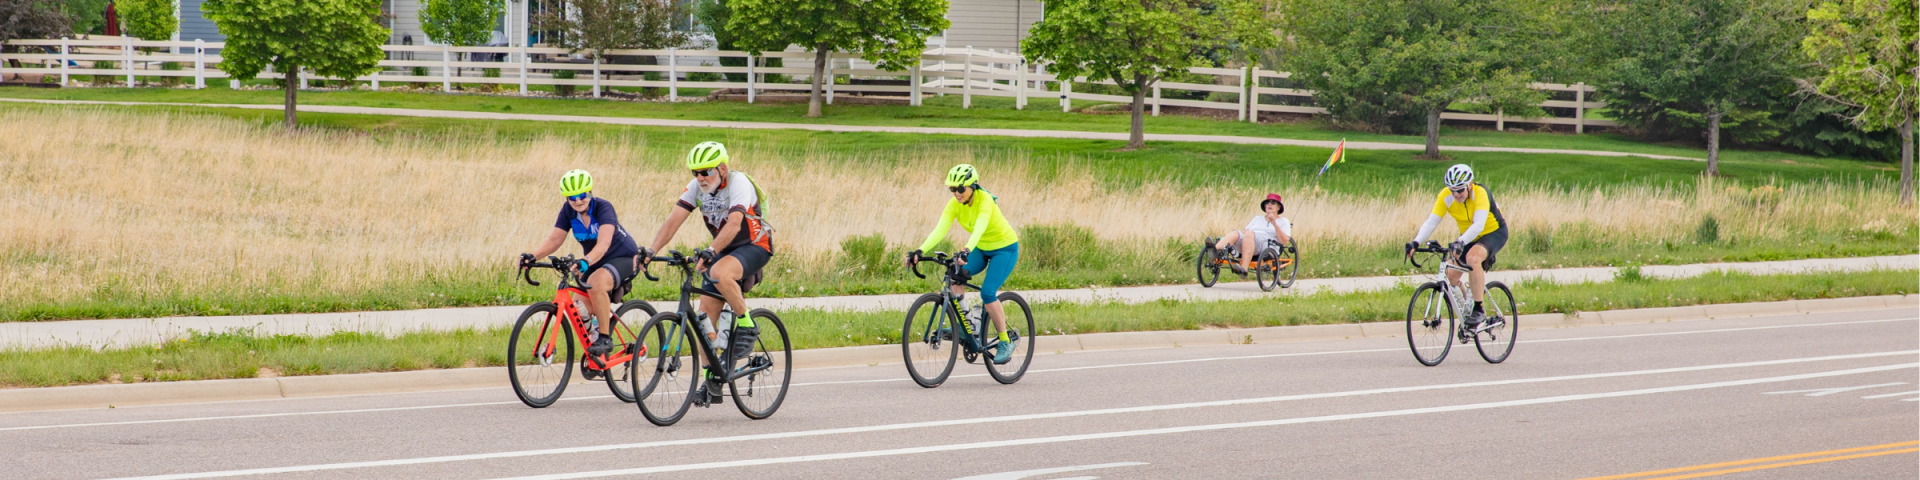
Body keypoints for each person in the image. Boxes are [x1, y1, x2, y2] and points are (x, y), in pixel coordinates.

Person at [643, 141, 773, 366]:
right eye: (696, 172)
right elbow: (673, 221)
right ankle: (709, 378)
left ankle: (747, 324)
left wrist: (711, 250)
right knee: (704, 320)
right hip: (724, 250)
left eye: (706, 171)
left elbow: (734, 224)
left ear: (722, 169)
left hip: (755, 245)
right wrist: (651, 250)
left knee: (720, 272)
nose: (700, 177)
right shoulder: (695, 187)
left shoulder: (738, 182)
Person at [904, 164, 1021, 365]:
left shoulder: (985, 201)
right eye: (952, 189)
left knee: (987, 293)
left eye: (960, 189)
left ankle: (1005, 340)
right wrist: (920, 250)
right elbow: (940, 229)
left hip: (1005, 249)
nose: (956, 194)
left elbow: (980, 227)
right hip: (982, 248)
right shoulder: (954, 204)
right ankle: (968, 325)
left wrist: (966, 250)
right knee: (955, 275)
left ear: (972, 186)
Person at [520, 169, 642, 362]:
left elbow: (603, 244)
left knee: (596, 282)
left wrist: (585, 261)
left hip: (624, 256)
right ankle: (596, 348)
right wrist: (532, 256)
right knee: (577, 308)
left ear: (590, 192)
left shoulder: (603, 208)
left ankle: (605, 338)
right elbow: (555, 239)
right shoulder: (568, 211)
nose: (577, 201)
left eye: (581, 195)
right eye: (571, 197)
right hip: (596, 261)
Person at [1405, 164, 1509, 329]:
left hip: (1493, 232)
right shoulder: (1446, 196)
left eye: (1460, 190)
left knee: (1473, 258)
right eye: (1452, 190)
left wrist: (1460, 241)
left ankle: (1478, 309)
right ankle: (1466, 310)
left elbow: (1479, 225)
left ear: (1469, 184)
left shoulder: (1480, 193)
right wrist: (1416, 242)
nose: (1456, 194)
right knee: (1450, 276)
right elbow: (1432, 221)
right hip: (1468, 238)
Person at [1212, 194, 1293, 277]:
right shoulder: (1257, 218)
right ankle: (1213, 250)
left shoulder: (1283, 221)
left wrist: (1274, 223)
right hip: (1249, 242)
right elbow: (1245, 233)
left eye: (1273, 202)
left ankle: (1243, 269)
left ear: (1278, 207)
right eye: (1267, 202)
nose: (1269, 204)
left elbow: (1284, 241)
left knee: (1250, 233)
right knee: (1235, 233)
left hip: (1266, 246)